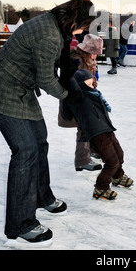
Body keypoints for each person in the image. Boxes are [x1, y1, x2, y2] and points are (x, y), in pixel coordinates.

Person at [0, 0, 96, 247]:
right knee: (25, 152)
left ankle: (42, 196)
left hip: (22, 89)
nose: (84, 32)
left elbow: (55, 70)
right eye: (85, 26)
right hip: (3, 90)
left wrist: (72, 90)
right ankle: (21, 224)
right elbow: (47, 79)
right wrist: (71, 99)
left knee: (40, 142)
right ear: (74, 21)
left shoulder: (54, 25)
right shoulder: (50, 35)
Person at [62, 69, 133, 200]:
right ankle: (101, 188)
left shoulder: (94, 94)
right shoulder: (79, 97)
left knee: (119, 155)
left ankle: (117, 177)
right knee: (112, 162)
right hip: (96, 134)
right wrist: (67, 71)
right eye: (89, 84)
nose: (93, 86)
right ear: (80, 85)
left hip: (107, 130)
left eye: (92, 83)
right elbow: (72, 87)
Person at [58, 33, 104, 172]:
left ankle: (90, 150)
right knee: (84, 127)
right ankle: (82, 160)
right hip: (76, 99)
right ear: (87, 50)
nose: (96, 56)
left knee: (91, 124)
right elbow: (74, 83)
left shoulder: (87, 59)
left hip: (86, 97)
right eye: (94, 53)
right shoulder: (76, 60)